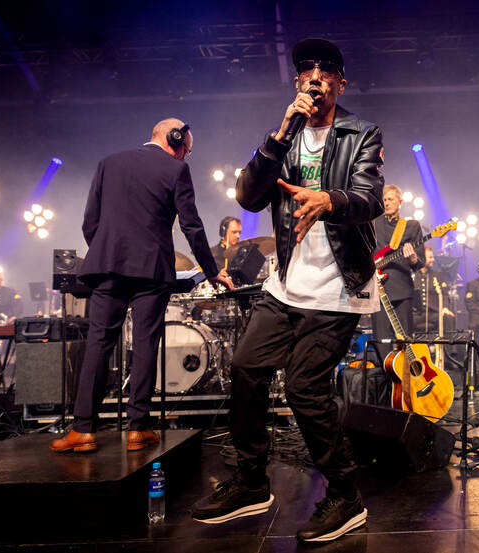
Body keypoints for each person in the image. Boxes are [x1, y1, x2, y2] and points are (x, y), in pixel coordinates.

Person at [189, 38, 384, 543]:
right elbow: (249, 196)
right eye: (305, 71)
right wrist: (278, 135)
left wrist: (330, 198)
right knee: (245, 368)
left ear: (340, 83)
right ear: (298, 84)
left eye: (325, 71)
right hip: (286, 282)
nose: (314, 77)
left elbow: (369, 199)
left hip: (337, 286)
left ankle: (346, 495)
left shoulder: (361, 133)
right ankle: (253, 483)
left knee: (304, 388)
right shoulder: (286, 137)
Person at [51, 118, 227, 453]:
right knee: (145, 344)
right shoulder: (176, 171)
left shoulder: (108, 163)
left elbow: (91, 221)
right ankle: (138, 428)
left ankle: (83, 430)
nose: (184, 158)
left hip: (108, 266)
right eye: (185, 151)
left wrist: (109, 251)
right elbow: (192, 225)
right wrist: (211, 269)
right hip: (151, 270)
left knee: (98, 344)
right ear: (175, 139)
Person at [371, 184, 425, 357]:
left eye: (390, 199)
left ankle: (406, 382)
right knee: (381, 343)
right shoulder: (373, 223)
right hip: (378, 291)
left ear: (400, 202)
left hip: (402, 290)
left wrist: (413, 258)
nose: (387, 203)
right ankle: (386, 382)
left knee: (405, 342)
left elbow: (419, 261)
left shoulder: (411, 226)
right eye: (384, 199)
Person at [413, 245, 454, 334]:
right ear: (422, 258)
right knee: (405, 321)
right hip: (417, 315)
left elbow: (445, 294)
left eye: (433, 257)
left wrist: (445, 308)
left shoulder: (438, 275)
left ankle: (447, 347)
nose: (433, 260)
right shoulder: (413, 275)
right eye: (430, 257)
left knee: (447, 318)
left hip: (434, 313)